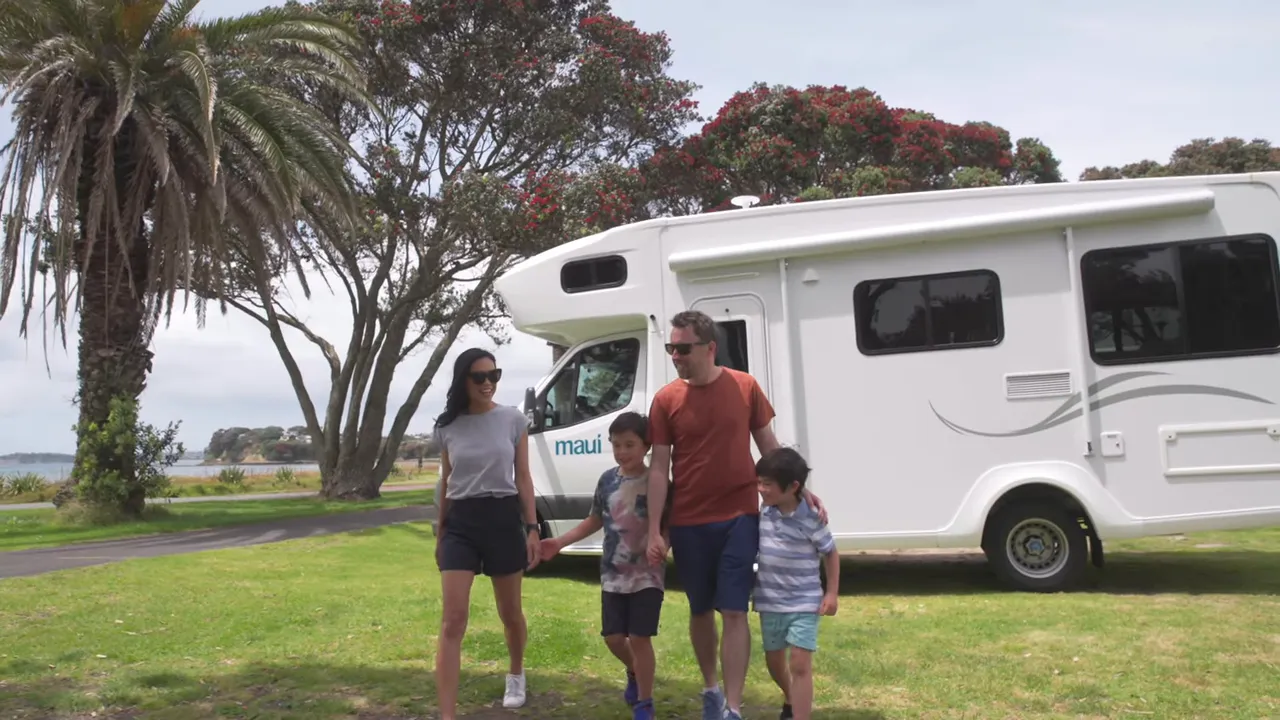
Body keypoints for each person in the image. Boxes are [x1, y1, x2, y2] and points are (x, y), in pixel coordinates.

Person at [644, 310, 829, 720]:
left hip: (740, 517)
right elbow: (659, 468)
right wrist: (656, 529)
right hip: (689, 521)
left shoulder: (745, 387)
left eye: (683, 348)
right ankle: (710, 688)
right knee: (699, 610)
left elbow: (770, 448)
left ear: (710, 348)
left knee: (733, 609)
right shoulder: (665, 399)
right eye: (671, 348)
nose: (676, 355)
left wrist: (802, 493)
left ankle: (732, 705)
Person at [433, 348, 541, 719]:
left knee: (510, 612)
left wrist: (532, 528)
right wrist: (440, 532)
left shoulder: (513, 420)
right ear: (464, 380)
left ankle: (516, 673)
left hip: (501, 516)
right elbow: (446, 482)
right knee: (453, 619)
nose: (488, 383)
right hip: (461, 522)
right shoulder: (447, 426)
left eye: (493, 375)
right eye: (479, 377)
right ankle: (447, 713)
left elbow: (523, 477)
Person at [539, 412, 668, 720]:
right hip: (613, 575)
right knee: (613, 638)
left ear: (647, 445)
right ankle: (636, 672)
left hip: (647, 575)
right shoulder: (607, 481)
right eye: (616, 445)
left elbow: (667, 525)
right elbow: (594, 520)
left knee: (640, 637)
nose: (622, 452)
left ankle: (645, 703)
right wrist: (558, 542)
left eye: (630, 445)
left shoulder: (658, 482)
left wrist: (662, 543)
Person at [753, 447, 839, 720]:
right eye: (759, 482)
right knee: (773, 660)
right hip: (769, 601)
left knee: (800, 663)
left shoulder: (812, 518)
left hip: (804, 601)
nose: (761, 489)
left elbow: (831, 552)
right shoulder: (764, 511)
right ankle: (790, 698)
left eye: (767, 484)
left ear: (793, 487)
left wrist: (832, 593)